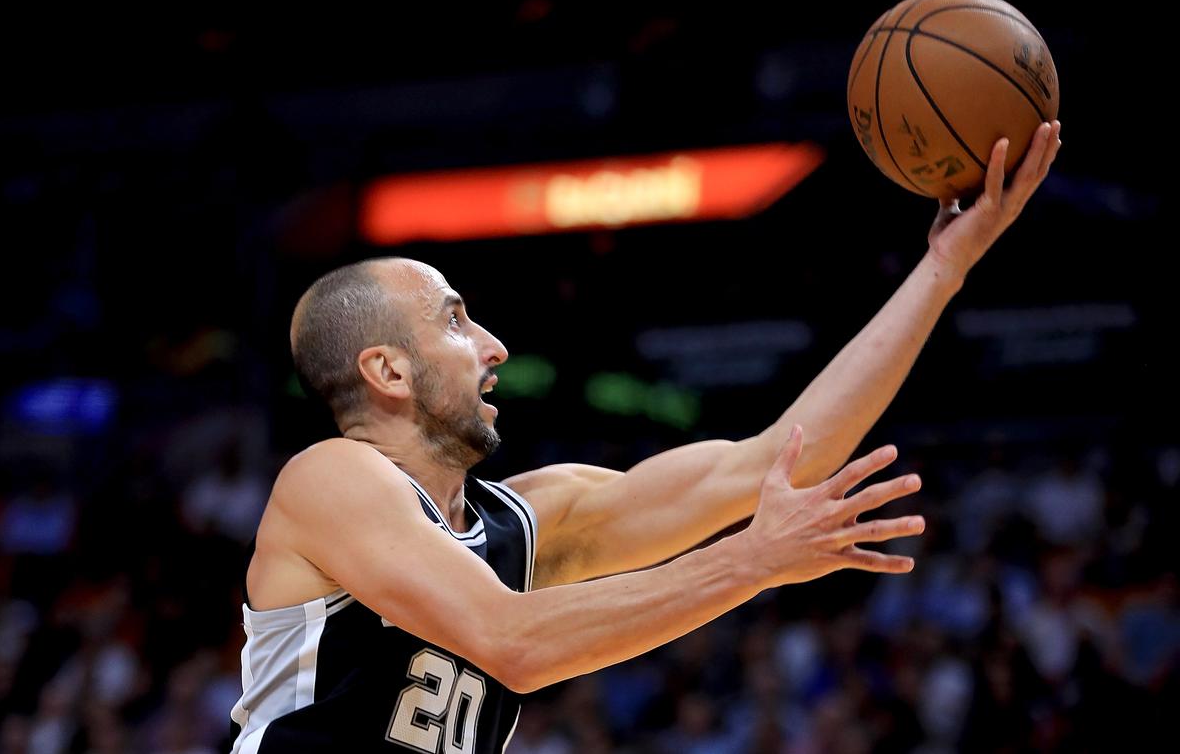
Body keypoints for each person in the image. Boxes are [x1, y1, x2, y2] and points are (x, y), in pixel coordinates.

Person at [228, 122, 1062, 753]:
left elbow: (772, 459)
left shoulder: (527, 521)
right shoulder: (329, 478)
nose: (494, 345)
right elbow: (513, 642)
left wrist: (946, 268)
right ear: (388, 371)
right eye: (455, 320)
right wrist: (752, 561)